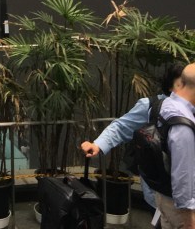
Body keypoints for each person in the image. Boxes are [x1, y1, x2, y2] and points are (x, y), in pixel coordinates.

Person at [81, 63, 184, 209]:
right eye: (183, 84)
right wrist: (98, 144)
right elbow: (121, 127)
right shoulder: (152, 106)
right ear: (170, 86)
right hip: (161, 190)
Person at [153, 63, 195, 229]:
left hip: (164, 195)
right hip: (181, 209)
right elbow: (183, 176)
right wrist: (189, 220)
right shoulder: (183, 126)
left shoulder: (166, 104)